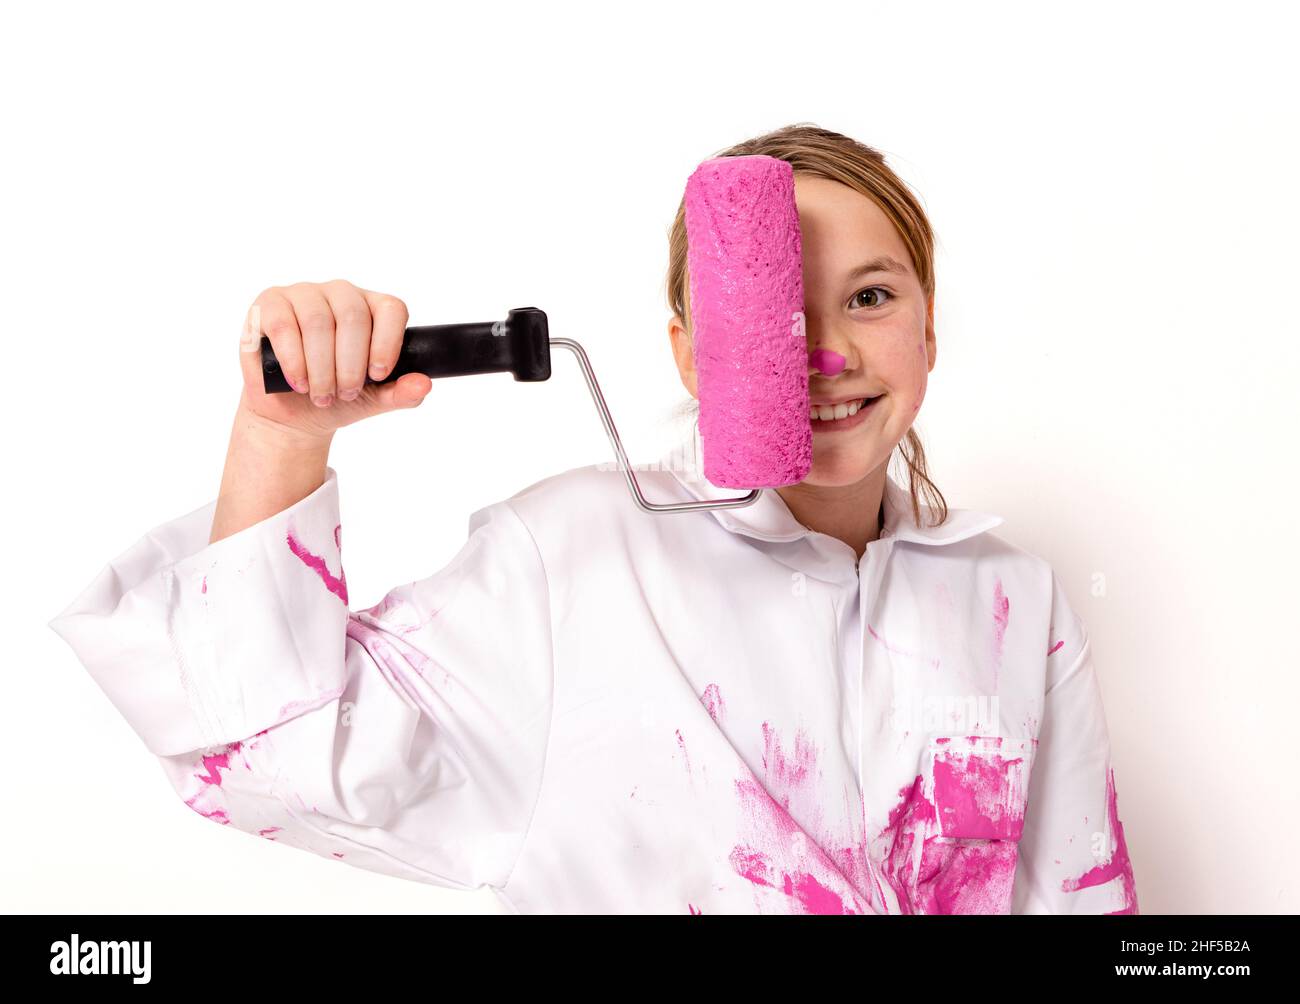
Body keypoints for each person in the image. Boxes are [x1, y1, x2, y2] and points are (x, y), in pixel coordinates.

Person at [47, 123, 1137, 915]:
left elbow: (1080, 901)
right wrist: (282, 439)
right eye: (776, 304)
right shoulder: (576, 560)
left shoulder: (1011, 598)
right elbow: (261, 761)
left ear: (930, 329)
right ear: (686, 354)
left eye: (869, 296)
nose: (828, 349)